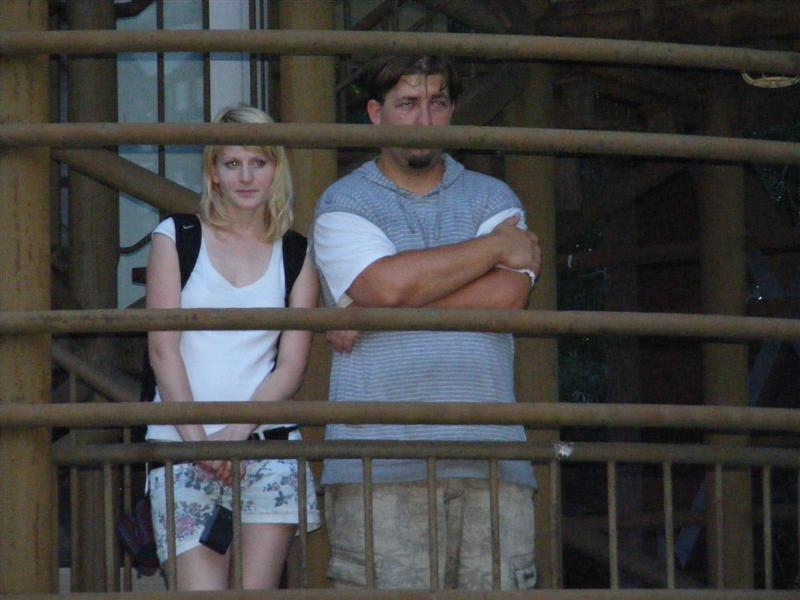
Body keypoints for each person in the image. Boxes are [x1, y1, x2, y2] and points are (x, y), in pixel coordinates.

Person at [313, 56, 541, 590]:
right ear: (376, 113)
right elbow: (386, 287)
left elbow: (506, 299)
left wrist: (372, 310)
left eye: (437, 103)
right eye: (408, 104)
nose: (424, 119)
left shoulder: (495, 196)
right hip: (377, 464)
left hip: (493, 460)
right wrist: (493, 249)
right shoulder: (343, 201)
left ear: (452, 111)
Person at [145, 106, 320, 590]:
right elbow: (162, 350)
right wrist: (202, 443)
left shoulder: (297, 251)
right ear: (214, 173)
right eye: (232, 163)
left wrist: (235, 436)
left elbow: (291, 366)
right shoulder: (176, 235)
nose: (246, 176)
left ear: (277, 170)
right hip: (183, 444)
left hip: (266, 443)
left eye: (259, 162)